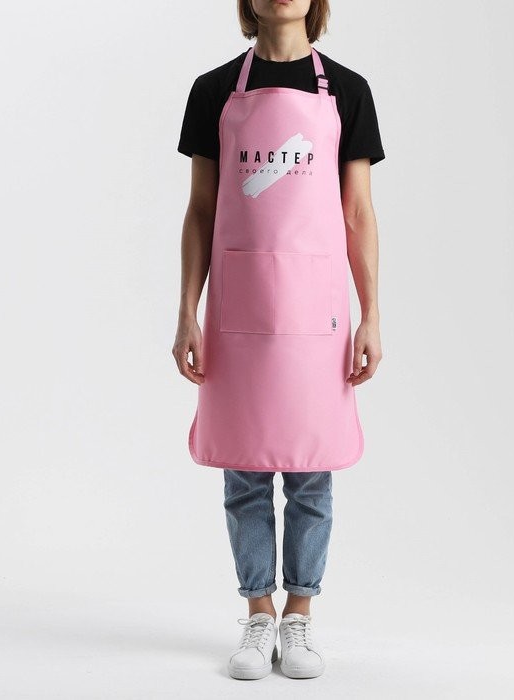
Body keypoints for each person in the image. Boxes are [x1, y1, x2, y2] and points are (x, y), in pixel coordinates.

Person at [173, 0, 384, 680]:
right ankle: (257, 611)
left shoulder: (347, 90)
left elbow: (358, 211)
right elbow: (201, 209)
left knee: (310, 471)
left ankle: (299, 616)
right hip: (240, 307)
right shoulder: (213, 90)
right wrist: (186, 311)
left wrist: (371, 314)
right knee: (244, 469)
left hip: (315, 310)